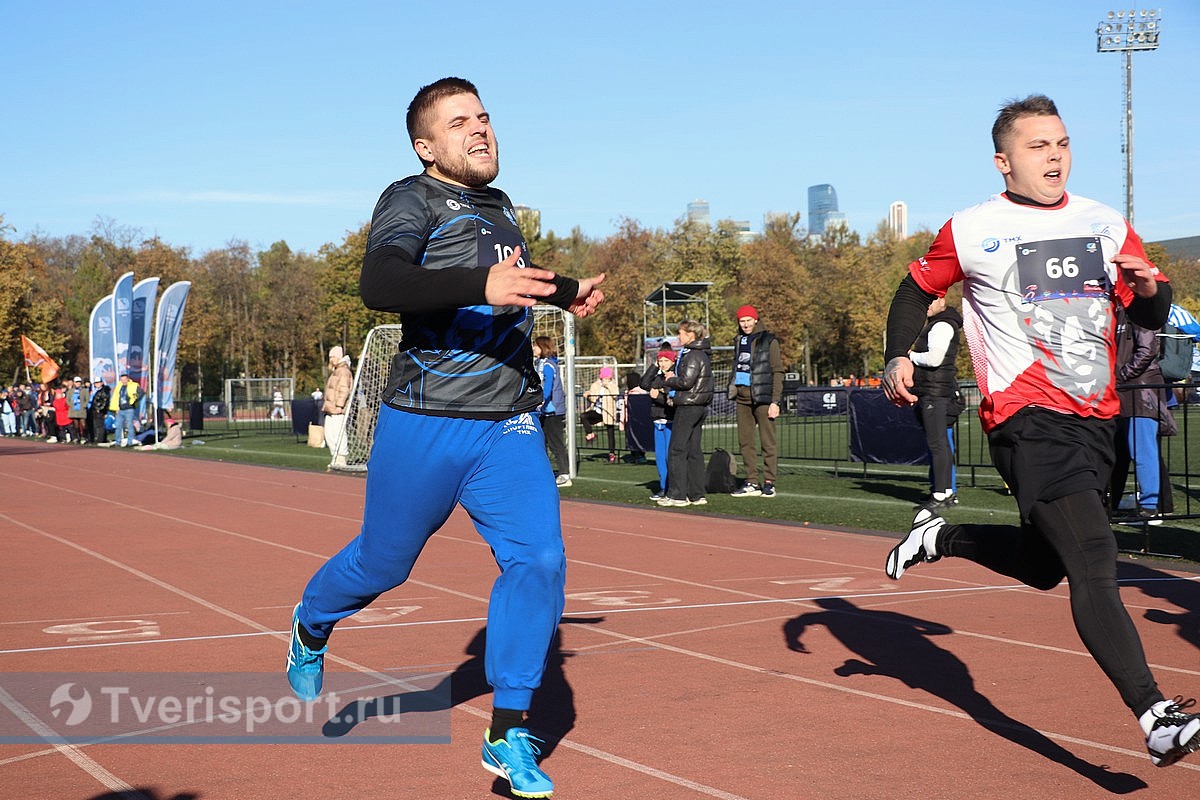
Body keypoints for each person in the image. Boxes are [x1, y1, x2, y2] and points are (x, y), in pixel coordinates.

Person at [285, 77, 605, 799]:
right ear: (427, 147)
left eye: (485, 116)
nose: (481, 129)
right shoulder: (411, 197)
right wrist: (477, 286)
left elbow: (510, 282)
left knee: (540, 564)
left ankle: (508, 733)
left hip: (509, 423)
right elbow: (381, 281)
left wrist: (566, 289)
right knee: (383, 564)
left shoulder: (502, 206)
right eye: (461, 122)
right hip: (426, 420)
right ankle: (311, 622)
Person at [881, 94, 1198, 768]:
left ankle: (943, 533)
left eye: (1061, 143)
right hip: (1026, 419)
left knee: (1047, 565)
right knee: (1094, 557)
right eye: (1037, 146)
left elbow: (1151, 310)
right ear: (1004, 162)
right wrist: (896, 354)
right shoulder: (971, 229)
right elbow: (914, 291)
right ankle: (1153, 713)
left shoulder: (1105, 224)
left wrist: (1149, 294)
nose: (1054, 155)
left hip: (1097, 420)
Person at [1109, 306, 1175, 524]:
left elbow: (1147, 349)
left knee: (1142, 449)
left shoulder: (1139, 313)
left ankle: (1149, 506)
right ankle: (1141, 504)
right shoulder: (1119, 312)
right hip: (1128, 390)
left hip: (1141, 391)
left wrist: (1121, 375)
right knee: (1128, 448)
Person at [906, 296, 964, 509]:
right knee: (941, 444)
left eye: (929, 301)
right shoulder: (941, 323)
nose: (926, 306)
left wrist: (911, 355)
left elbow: (934, 359)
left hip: (935, 392)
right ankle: (946, 492)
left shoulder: (941, 325)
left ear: (942, 300)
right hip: (936, 391)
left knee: (937, 444)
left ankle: (940, 494)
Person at [727, 305, 784, 498]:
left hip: (763, 397)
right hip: (742, 397)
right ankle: (751, 480)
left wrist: (775, 401)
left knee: (768, 442)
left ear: (756, 320)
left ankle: (769, 482)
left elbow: (777, 371)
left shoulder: (769, 340)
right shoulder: (738, 340)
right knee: (745, 441)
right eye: (742, 321)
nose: (745, 324)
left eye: (748, 320)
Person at [658, 319, 713, 507]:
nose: (678, 336)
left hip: (689, 405)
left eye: (681, 332)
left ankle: (677, 494)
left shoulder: (693, 355)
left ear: (691, 335)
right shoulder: (701, 353)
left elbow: (686, 382)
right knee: (693, 450)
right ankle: (696, 494)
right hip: (699, 405)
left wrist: (671, 379)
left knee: (677, 449)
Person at [533, 336, 571, 487]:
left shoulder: (548, 365)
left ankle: (564, 474)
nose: (533, 348)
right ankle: (545, 472)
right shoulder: (539, 364)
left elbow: (547, 386)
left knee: (556, 443)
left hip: (552, 411)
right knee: (541, 443)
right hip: (544, 411)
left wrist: (542, 400)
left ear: (543, 347)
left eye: (535, 346)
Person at [639, 347, 676, 500]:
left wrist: (658, 396)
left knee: (669, 457)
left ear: (672, 361)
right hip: (657, 421)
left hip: (670, 421)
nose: (662, 363)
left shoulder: (673, 377)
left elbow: (671, 401)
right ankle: (663, 487)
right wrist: (654, 365)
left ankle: (672, 487)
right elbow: (644, 383)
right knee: (660, 457)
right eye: (660, 360)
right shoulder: (659, 376)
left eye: (665, 360)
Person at [322, 347, 353, 467]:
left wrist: (340, 405)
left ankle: (341, 458)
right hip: (331, 408)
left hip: (338, 409)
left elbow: (344, 389)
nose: (331, 359)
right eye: (330, 357)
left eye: (333, 356)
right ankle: (335, 457)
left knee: (338, 433)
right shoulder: (336, 371)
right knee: (329, 434)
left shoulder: (343, 371)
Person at [582, 366, 620, 463]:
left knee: (610, 432)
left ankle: (612, 453)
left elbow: (616, 395)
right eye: (603, 377)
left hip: (608, 412)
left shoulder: (613, 385)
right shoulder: (596, 385)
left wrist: (608, 386)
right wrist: (589, 395)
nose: (605, 379)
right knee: (584, 416)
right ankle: (590, 433)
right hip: (597, 411)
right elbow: (593, 398)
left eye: (607, 377)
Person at [109, 373, 141, 447]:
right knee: (118, 426)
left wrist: (133, 401)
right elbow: (116, 397)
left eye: (125, 379)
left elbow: (139, 393)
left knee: (129, 425)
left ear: (128, 379)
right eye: (122, 379)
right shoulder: (119, 386)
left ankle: (130, 442)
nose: (123, 381)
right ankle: (118, 442)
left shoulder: (133, 385)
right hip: (120, 409)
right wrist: (116, 408)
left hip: (129, 409)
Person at [67, 376, 90, 444]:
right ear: (74, 383)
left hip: (81, 410)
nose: (78, 383)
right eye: (76, 382)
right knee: (76, 425)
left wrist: (84, 405)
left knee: (83, 424)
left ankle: (85, 437)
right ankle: (77, 437)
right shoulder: (70, 391)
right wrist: (71, 405)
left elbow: (87, 399)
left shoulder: (84, 390)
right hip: (74, 410)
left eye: (79, 382)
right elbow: (67, 400)